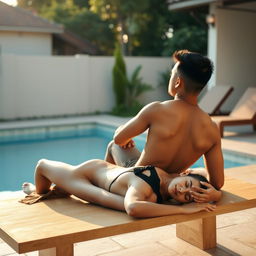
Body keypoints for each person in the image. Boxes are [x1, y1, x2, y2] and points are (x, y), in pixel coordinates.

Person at [104, 50, 224, 203]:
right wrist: (216, 194)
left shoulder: (157, 110)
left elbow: (119, 139)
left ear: (178, 82)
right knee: (199, 170)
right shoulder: (211, 129)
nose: (170, 77)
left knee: (112, 145)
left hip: (140, 183)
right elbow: (218, 182)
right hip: (169, 191)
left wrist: (123, 135)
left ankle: (107, 189)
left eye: (172, 74)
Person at [22, 158, 217, 218]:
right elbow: (133, 208)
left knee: (113, 201)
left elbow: (203, 175)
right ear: (185, 173)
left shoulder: (172, 177)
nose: (182, 192)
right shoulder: (146, 186)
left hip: (104, 175)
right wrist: (182, 210)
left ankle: (60, 189)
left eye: (188, 197)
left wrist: (214, 194)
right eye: (187, 185)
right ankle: (41, 192)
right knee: (41, 165)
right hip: (83, 177)